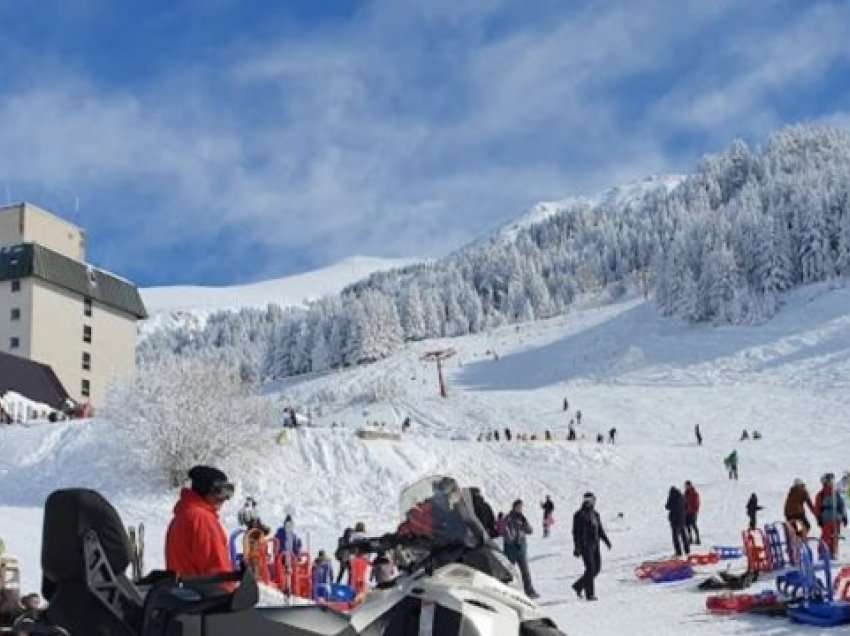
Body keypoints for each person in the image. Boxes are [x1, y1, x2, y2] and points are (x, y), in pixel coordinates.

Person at [165, 465, 234, 578]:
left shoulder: (182, 515)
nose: (224, 499)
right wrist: (232, 592)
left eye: (229, 492)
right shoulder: (202, 519)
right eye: (221, 492)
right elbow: (218, 570)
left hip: (183, 591)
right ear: (206, 490)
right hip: (205, 592)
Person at [572, 492, 611, 601]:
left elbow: (600, 530)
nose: (589, 502)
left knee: (597, 569)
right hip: (585, 545)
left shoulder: (595, 514)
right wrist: (577, 547)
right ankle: (590, 594)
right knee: (590, 569)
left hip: (595, 545)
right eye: (587, 500)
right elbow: (575, 533)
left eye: (591, 500)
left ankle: (578, 585)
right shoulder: (579, 515)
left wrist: (606, 541)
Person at [502, 500, 538, 599]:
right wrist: (512, 539)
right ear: (514, 507)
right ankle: (504, 591)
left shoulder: (522, 518)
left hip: (521, 549)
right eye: (518, 507)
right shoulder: (508, 518)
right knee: (508, 572)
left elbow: (530, 531)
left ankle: (530, 591)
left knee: (525, 571)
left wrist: (525, 523)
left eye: (521, 507)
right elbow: (507, 534)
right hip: (511, 550)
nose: (520, 509)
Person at [814, 473, 848, 558]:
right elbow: (841, 505)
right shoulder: (826, 494)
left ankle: (828, 553)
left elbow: (841, 505)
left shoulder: (828, 494)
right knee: (831, 536)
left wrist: (818, 518)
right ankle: (829, 553)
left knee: (830, 536)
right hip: (832, 518)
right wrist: (844, 517)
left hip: (831, 518)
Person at [666, 486, 690, 557]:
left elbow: (668, 506)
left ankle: (678, 552)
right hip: (682, 519)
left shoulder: (672, 497)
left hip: (675, 520)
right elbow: (687, 506)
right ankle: (687, 550)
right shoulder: (682, 497)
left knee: (675, 537)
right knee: (684, 535)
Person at [684, 481, 701, 545]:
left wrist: (695, 511)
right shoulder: (685, 493)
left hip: (692, 513)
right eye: (685, 486)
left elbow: (697, 503)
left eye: (686, 486)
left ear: (690, 485)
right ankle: (690, 538)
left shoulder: (694, 493)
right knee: (687, 526)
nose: (685, 487)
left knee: (694, 525)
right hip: (686, 513)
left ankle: (698, 538)